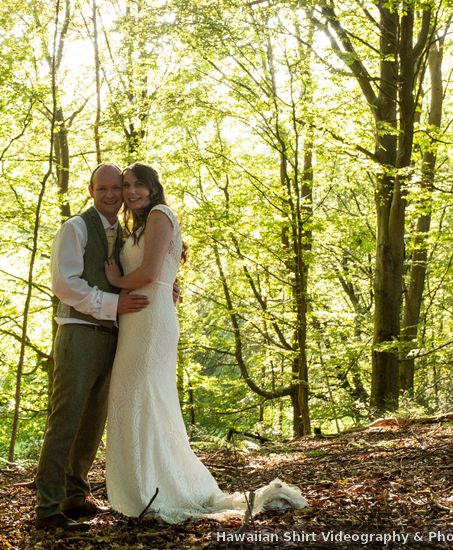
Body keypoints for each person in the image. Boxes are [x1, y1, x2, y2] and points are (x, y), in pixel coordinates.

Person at [104, 163, 307, 523]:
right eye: (126, 185)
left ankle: (156, 490)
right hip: (137, 318)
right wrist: (160, 287)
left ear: (153, 188)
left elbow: (150, 274)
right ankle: (147, 485)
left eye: (138, 185)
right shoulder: (138, 225)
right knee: (136, 399)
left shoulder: (160, 216)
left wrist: (113, 280)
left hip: (149, 323)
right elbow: (160, 275)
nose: (131, 191)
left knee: (141, 397)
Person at [34, 162, 150, 531]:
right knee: (66, 419)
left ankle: (75, 495)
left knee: (93, 420)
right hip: (79, 332)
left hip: (114, 335)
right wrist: (113, 304)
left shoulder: (124, 231)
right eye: (103, 189)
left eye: (117, 188)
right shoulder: (76, 227)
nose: (112, 195)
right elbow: (64, 284)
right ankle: (48, 508)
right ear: (91, 191)